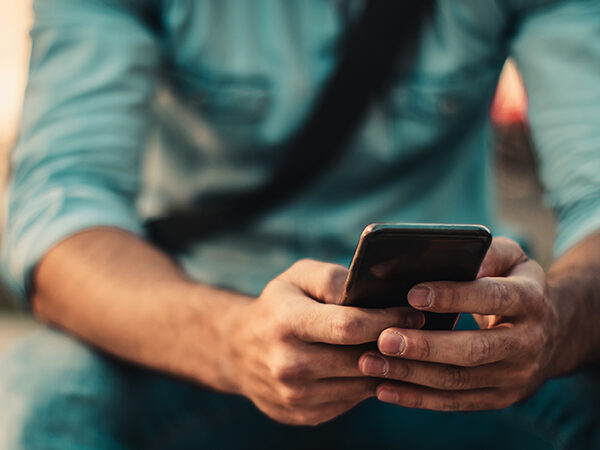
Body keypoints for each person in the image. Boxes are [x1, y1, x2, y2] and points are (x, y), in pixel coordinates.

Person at [1, 0, 600, 448]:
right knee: (45, 387)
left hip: (449, 356)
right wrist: (233, 342)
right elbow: (61, 210)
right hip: (194, 345)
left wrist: (555, 325)